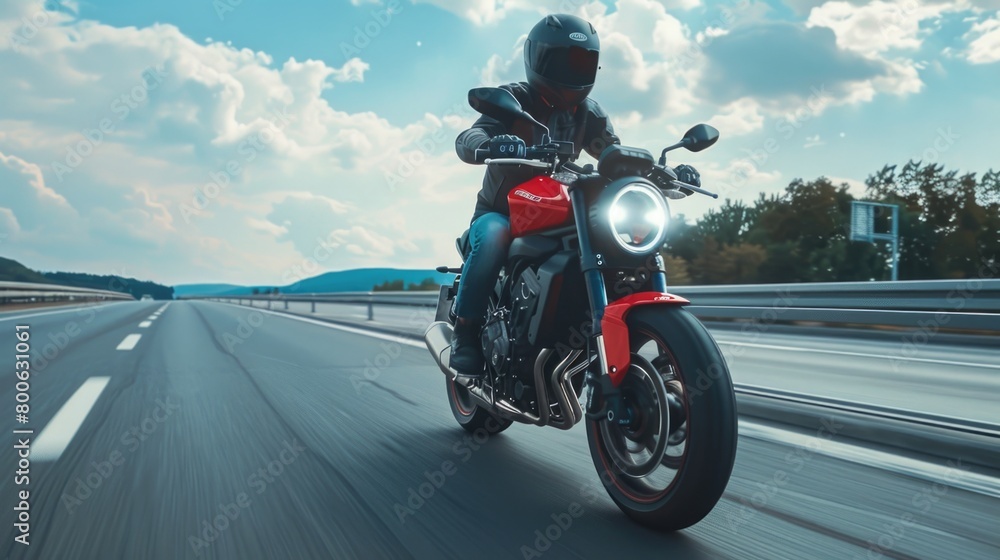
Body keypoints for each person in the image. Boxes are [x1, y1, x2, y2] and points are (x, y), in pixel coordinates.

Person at [450, 13, 701, 378]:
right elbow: (469, 137)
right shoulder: (513, 101)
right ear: (539, 59)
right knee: (491, 237)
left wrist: (665, 173)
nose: (574, 70)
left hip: (561, 207)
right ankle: (466, 333)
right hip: (505, 212)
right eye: (566, 59)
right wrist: (492, 142)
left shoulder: (589, 113)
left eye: (584, 61)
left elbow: (615, 158)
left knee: (614, 237)